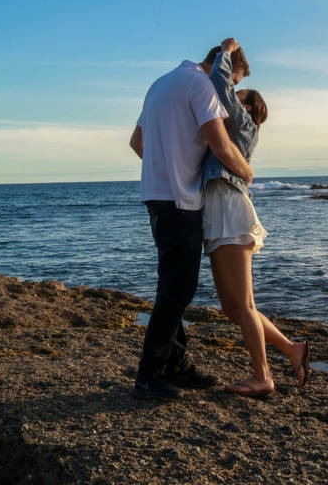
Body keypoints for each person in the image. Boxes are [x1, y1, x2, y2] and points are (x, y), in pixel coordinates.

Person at [128, 47, 254, 400]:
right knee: (178, 290)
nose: (229, 90)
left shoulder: (161, 83)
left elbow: (137, 142)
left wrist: (169, 164)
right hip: (181, 201)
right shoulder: (202, 86)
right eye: (233, 80)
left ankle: (176, 365)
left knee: (172, 284)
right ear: (221, 68)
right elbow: (222, 146)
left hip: (157, 196)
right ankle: (148, 376)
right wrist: (247, 173)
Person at [202, 37, 309, 397]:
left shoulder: (243, 127)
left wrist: (228, 54)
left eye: (239, 95)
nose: (232, 95)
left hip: (229, 209)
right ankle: (292, 350)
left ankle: (263, 376)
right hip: (218, 210)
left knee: (244, 305)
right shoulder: (232, 128)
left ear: (248, 109)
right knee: (232, 307)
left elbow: (219, 83)